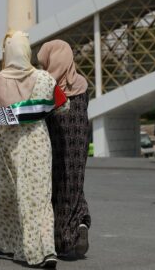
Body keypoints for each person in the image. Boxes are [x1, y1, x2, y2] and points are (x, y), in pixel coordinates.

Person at [0, 31, 63, 268]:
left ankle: (13, 245)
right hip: (38, 142)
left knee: (10, 194)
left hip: (9, 144)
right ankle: (46, 249)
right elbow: (61, 105)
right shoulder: (45, 78)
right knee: (39, 196)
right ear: (27, 51)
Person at [37, 39, 91, 258]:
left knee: (57, 184)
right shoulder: (82, 84)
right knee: (75, 182)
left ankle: (63, 239)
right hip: (79, 141)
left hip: (55, 140)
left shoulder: (47, 85)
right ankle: (81, 223)